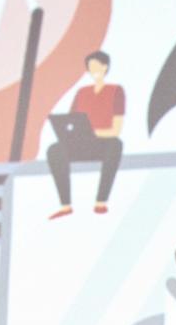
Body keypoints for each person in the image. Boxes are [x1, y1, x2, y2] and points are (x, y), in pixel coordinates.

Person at [46, 51, 125, 219]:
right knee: (54, 150)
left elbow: (116, 130)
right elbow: (72, 122)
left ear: (105, 67)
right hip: (81, 143)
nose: (93, 70)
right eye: (90, 67)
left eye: (96, 66)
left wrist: (94, 132)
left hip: (103, 143)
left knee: (116, 144)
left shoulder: (116, 91)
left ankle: (101, 201)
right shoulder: (82, 92)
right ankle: (66, 205)